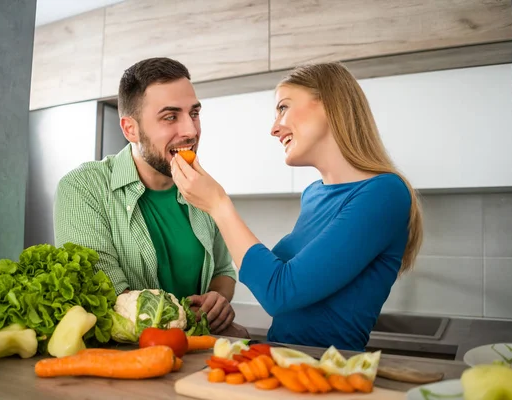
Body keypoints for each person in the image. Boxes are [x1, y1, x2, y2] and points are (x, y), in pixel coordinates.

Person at [170, 62, 424, 351]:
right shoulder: (315, 194)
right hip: (284, 363)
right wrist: (223, 313)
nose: (274, 128)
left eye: (283, 108)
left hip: (326, 376)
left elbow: (280, 292)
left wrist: (218, 205)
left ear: (329, 104)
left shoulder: (384, 194)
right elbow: (277, 285)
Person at [53, 57, 248, 337]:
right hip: (125, 361)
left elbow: (223, 271)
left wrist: (217, 298)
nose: (191, 131)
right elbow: (111, 297)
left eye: (193, 113)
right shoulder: (83, 189)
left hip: (193, 355)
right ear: (130, 129)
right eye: (170, 117)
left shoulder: (203, 190)